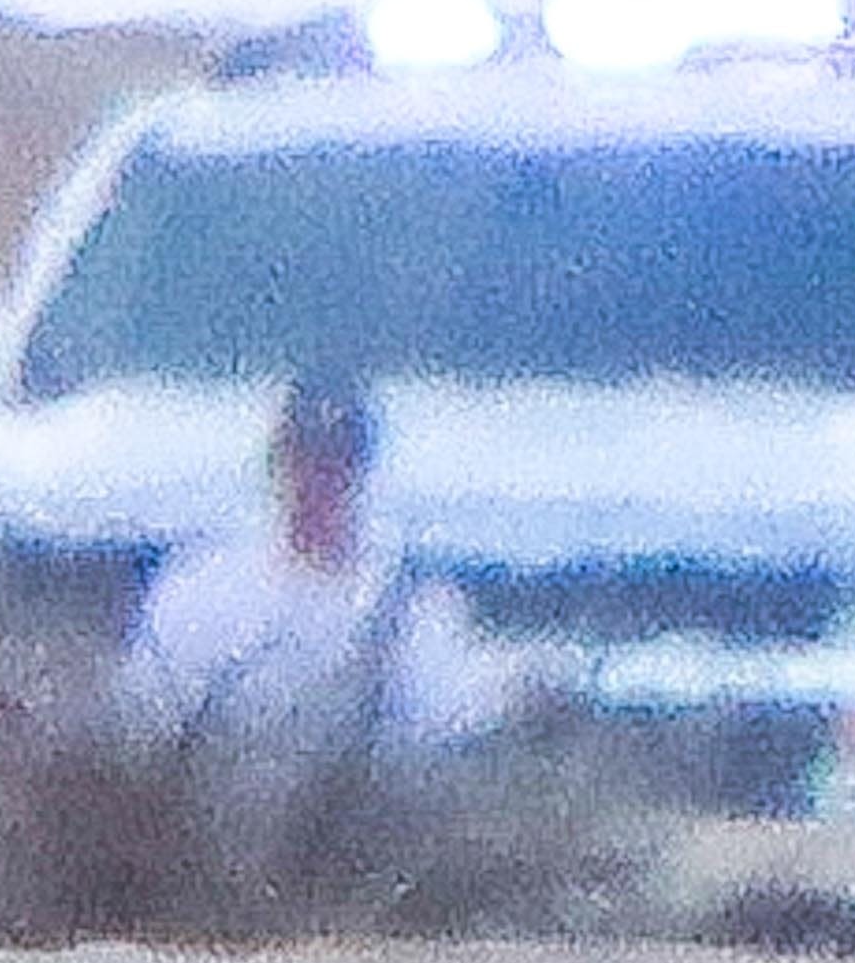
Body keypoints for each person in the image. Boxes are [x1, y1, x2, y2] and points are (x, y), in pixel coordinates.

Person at [99, 373, 545, 924]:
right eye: (306, 459)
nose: (319, 481)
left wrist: (522, 688)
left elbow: (441, 723)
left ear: (360, 470)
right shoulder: (202, 589)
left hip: (350, 878)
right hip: (205, 866)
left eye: (338, 462)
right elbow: (140, 723)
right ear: (279, 463)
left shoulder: (410, 604)